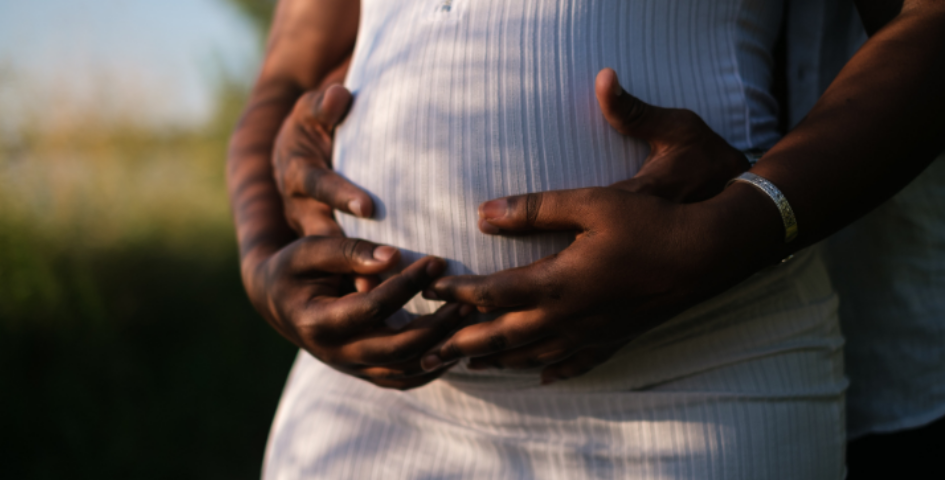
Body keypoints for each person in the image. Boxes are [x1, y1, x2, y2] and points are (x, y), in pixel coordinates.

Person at [226, 0, 945, 477]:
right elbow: (290, 67)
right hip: (364, 402)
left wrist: (738, 227)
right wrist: (262, 259)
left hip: (701, 379)